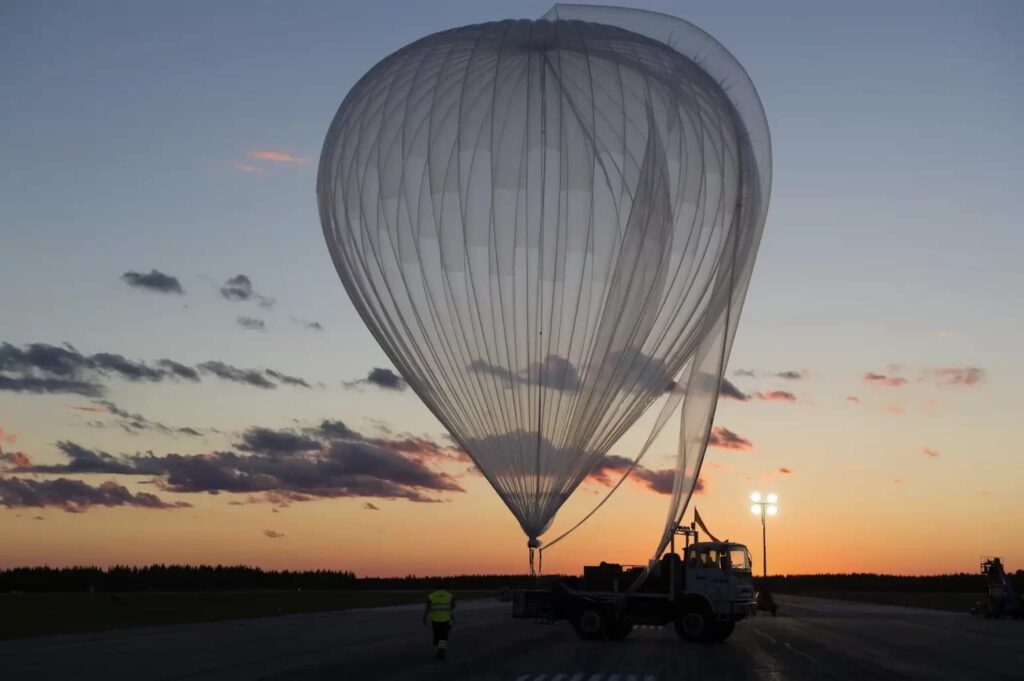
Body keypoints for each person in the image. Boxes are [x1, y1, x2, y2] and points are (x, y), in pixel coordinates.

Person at [423, 588, 456, 659]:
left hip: (435, 619)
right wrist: (448, 612)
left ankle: (438, 649)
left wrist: (424, 618)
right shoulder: (449, 595)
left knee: (436, 635)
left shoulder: (431, 596)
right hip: (445, 619)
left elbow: (427, 608)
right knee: (444, 636)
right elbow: (453, 605)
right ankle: (441, 651)